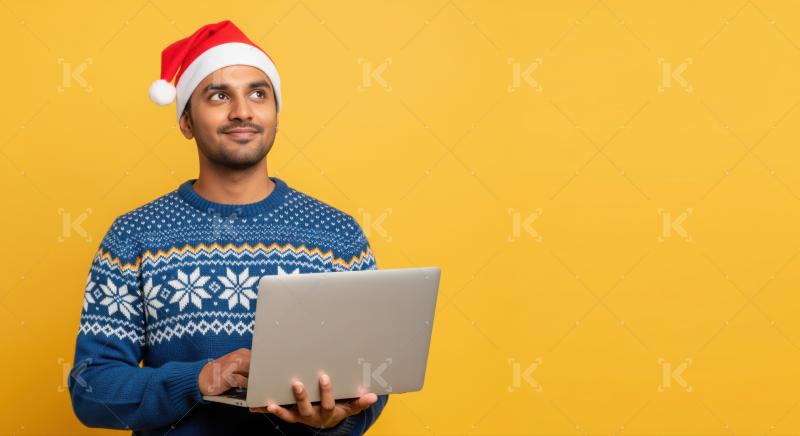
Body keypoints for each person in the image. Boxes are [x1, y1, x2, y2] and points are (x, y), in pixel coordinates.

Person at [68, 20, 388, 435]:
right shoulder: (134, 235)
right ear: (185, 121)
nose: (242, 110)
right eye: (219, 95)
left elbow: (371, 383)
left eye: (258, 93)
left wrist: (332, 422)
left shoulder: (338, 236)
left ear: (276, 113)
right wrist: (201, 380)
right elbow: (92, 390)